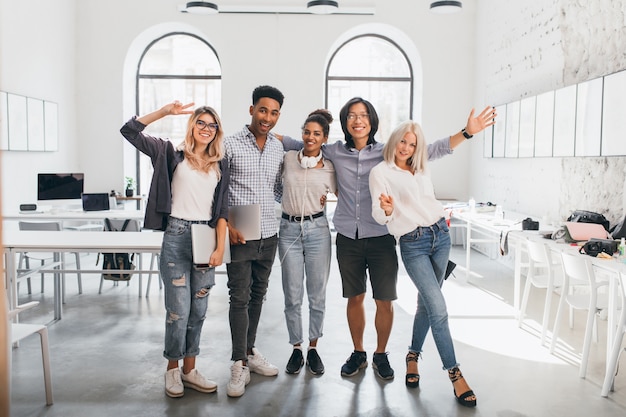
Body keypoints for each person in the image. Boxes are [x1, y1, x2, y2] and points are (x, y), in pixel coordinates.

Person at [281, 97, 495, 381]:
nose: (358, 120)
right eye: (352, 116)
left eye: (364, 115)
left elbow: (430, 151)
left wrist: (466, 133)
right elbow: (303, 143)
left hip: (381, 237)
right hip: (348, 237)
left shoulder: (387, 152)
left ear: (372, 121)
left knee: (384, 299)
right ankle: (358, 352)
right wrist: (267, 133)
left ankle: (380, 354)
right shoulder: (334, 151)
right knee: (354, 298)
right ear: (345, 123)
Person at [120, 101, 229, 398]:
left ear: (217, 130)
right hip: (177, 235)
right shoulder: (170, 153)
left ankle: (190, 369)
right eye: (201, 123)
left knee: (199, 310)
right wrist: (164, 112)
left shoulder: (220, 163)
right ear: (192, 125)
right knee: (178, 310)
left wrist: (220, 247)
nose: (206, 129)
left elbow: (222, 211)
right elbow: (129, 131)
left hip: (206, 236)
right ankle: (172, 369)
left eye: (212, 125)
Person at [369, 120, 477, 407]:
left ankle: (412, 356)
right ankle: (455, 374)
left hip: (440, 235)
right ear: (394, 140)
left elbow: (443, 146)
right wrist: (387, 210)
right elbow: (380, 215)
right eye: (403, 141)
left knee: (425, 306)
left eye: (412, 144)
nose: (406, 148)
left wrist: (467, 132)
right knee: (438, 307)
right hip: (412, 243)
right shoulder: (380, 172)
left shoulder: (420, 164)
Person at [224, 85, 285, 397]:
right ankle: (237, 363)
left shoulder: (277, 147)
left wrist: (303, 197)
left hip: (269, 231)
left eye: (274, 113)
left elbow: (275, 187)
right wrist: (226, 222)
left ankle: (248, 352)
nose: (268, 117)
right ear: (251, 110)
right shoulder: (230, 144)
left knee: (259, 296)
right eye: (263, 110)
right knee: (239, 297)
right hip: (241, 226)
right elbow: (217, 188)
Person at [279, 109, 337, 376]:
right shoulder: (289, 158)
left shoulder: (329, 167)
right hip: (288, 229)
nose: (310, 137)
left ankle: (313, 347)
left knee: (317, 294)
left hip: (318, 230)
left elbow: (347, 194)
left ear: (324, 138)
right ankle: (297, 348)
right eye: (307, 132)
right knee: (292, 295)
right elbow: (275, 185)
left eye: (316, 134)